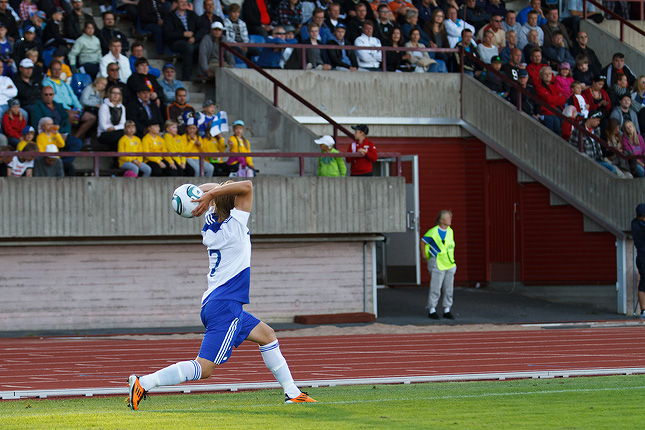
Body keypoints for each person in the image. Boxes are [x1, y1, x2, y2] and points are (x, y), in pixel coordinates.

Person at [127, 179, 317, 410]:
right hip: (226, 306)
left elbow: (213, 188)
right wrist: (212, 193)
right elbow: (247, 185)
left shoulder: (210, 222)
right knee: (204, 368)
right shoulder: (235, 225)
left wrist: (202, 194)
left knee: (267, 335)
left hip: (217, 303)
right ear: (234, 204)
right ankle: (144, 382)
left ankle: (292, 392)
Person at [420, 209, 456, 320]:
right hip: (437, 263)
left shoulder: (450, 231)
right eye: (447, 217)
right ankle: (432, 309)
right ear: (441, 220)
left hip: (449, 263)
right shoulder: (433, 232)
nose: (450, 219)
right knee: (436, 287)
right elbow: (423, 241)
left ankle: (447, 309)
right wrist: (424, 256)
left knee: (449, 288)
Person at [163, 0, 198, 81]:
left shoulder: (192, 14)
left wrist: (194, 37)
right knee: (188, 47)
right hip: (175, 42)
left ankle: (202, 73)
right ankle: (186, 77)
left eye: (185, 1)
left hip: (192, 41)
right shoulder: (170, 16)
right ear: (176, 3)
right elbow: (168, 34)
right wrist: (183, 34)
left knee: (202, 45)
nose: (184, 3)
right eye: (181, 1)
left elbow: (202, 28)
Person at [631, 204, 645, 318]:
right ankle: (643, 310)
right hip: (643, 257)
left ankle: (644, 310)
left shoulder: (635, 224)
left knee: (643, 282)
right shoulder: (639, 225)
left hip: (641, 257)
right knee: (644, 282)